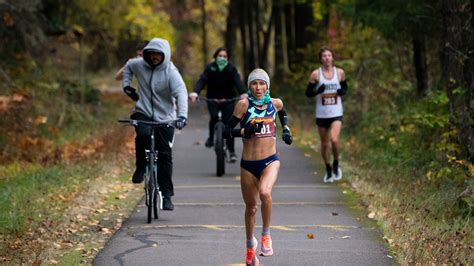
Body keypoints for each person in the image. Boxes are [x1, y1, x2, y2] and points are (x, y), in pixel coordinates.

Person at [223, 68, 293, 265]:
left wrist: (286, 130)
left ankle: (266, 235)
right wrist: (244, 130)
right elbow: (225, 131)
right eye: (254, 83)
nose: (258, 87)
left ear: (267, 85)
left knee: (265, 192)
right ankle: (249, 246)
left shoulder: (275, 103)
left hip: (270, 160)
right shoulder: (243, 105)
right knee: (251, 208)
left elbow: (283, 112)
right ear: (249, 85)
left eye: (262, 83)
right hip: (248, 164)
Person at [122, 37, 188, 211]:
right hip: (143, 110)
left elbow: (181, 93)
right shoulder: (139, 64)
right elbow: (128, 65)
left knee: (165, 156)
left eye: (159, 54)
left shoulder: (171, 72)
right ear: (147, 54)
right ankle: (140, 167)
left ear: (165, 55)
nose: (155, 57)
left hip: (165, 117)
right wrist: (127, 86)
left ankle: (166, 196)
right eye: (152, 54)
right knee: (142, 134)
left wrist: (182, 116)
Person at [189, 47, 247, 162]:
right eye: (220, 56)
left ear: (228, 58)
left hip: (229, 100)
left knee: (228, 124)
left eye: (224, 56)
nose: (222, 58)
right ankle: (211, 138)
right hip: (213, 99)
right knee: (214, 117)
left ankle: (231, 152)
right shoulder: (210, 68)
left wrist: (243, 93)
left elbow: (237, 81)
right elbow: (202, 80)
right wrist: (195, 92)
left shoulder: (231, 68)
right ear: (215, 57)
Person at [305, 47, 348, 183]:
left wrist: (342, 91)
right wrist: (318, 90)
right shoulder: (316, 75)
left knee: (334, 140)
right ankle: (328, 168)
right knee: (324, 144)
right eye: (324, 56)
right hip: (322, 114)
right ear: (321, 59)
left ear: (333, 58)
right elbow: (308, 93)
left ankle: (336, 163)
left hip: (336, 112)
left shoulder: (340, 73)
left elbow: (345, 88)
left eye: (329, 55)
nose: (327, 58)